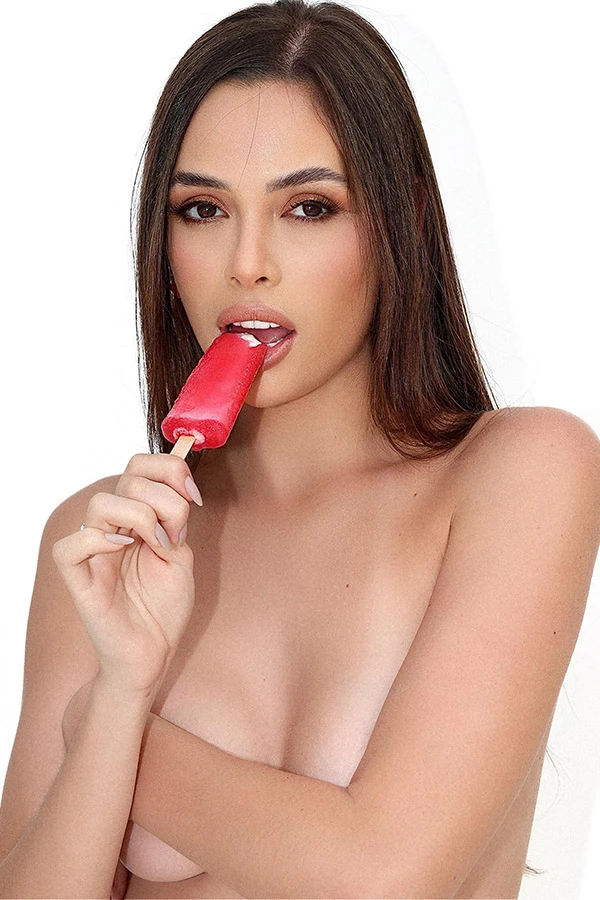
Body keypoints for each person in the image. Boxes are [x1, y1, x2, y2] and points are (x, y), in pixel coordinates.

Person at [1, 1, 599, 898]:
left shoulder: (522, 474)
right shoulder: (108, 543)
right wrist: (121, 686)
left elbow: (383, 878)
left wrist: (99, 730)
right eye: (203, 209)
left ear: (399, 226)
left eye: (309, 208)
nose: (248, 262)